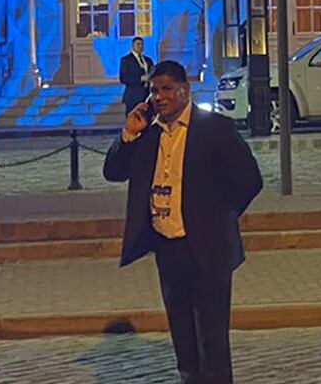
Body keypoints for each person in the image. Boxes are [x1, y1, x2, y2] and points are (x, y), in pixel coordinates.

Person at [104, 60, 262, 384]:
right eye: (154, 90)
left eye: (166, 89)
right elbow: (114, 172)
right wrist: (128, 133)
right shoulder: (149, 135)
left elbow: (250, 180)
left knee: (212, 338)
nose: (159, 97)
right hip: (168, 246)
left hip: (208, 247)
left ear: (184, 90)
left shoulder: (213, 128)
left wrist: (219, 215)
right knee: (182, 335)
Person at [119, 38, 154, 113]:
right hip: (133, 96)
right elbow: (123, 78)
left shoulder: (148, 60)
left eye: (142, 44)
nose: (140, 46)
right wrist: (140, 79)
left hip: (147, 95)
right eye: (138, 44)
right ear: (133, 46)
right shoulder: (126, 60)